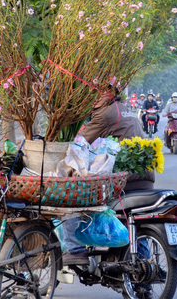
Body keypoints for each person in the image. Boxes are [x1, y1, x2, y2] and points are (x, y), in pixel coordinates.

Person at [64, 89, 152, 265]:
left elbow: (79, 143)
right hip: (145, 177)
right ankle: (145, 263)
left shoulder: (105, 114)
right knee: (133, 220)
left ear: (108, 94)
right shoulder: (125, 108)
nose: (93, 99)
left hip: (123, 180)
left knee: (71, 198)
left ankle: (76, 250)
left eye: (97, 94)